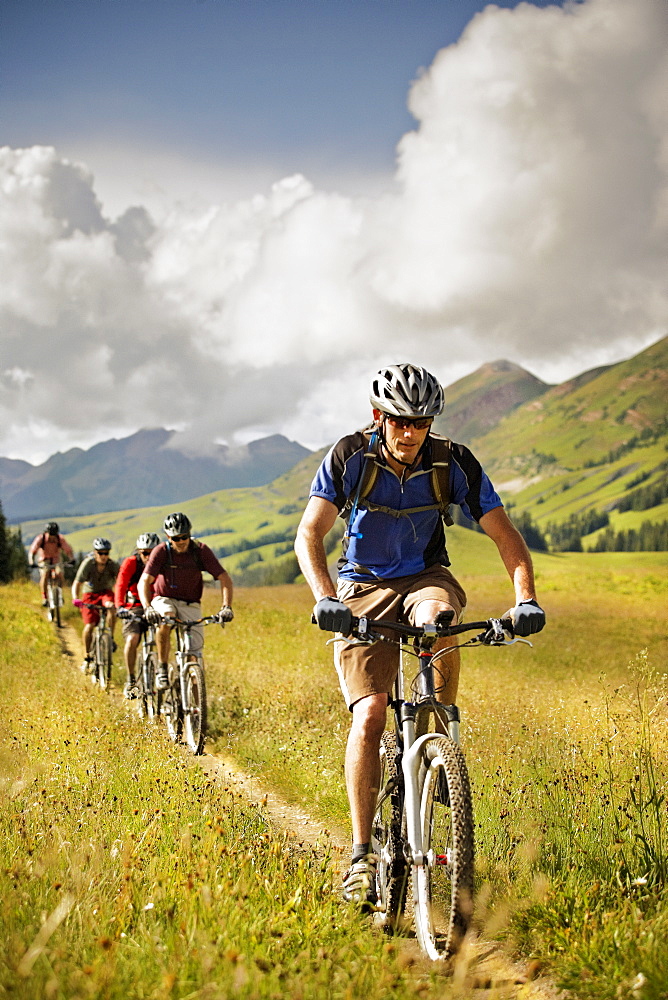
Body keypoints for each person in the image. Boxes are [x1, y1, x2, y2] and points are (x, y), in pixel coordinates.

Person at [294, 363, 546, 908]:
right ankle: (361, 854)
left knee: (439, 618)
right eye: (401, 422)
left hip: (425, 578)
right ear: (379, 417)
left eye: (421, 423)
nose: (411, 434)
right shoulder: (350, 457)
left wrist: (525, 598)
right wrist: (325, 598)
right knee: (371, 714)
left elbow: (504, 532)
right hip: (361, 585)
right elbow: (310, 532)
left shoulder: (454, 462)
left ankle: (439, 739)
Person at [138, 512, 234, 690]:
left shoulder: (200, 551)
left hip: (191, 603)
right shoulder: (161, 551)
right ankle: (162, 668)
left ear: (190, 534)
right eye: (176, 538)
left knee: (194, 654)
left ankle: (196, 711)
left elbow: (224, 578)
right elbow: (144, 581)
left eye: (184, 537)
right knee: (167, 617)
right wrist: (148, 608)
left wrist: (226, 607)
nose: (181, 541)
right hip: (164, 598)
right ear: (168, 537)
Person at [114, 532, 160, 699]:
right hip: (134, 606)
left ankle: (163, 674)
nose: (148, 557)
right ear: (139, 552)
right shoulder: (131, 563)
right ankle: (131, 680)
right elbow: (120, 584)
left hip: (156, 605)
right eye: (144, 553)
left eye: (152, 552)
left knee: (163, 637)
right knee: (133, 639)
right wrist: (120, 606)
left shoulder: (162, 563)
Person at [72, 538, 120, 676]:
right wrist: (76, 598)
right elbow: (77, 582)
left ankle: (110, 637)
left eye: (106, 553)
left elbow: (121, 581)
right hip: (90, 594)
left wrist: (123, 597)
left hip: (105, 593)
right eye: (100, 553)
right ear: (95, 552)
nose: (103, 556)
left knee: (111, 607)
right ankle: (87, 656)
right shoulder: (88, 563)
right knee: (89, 626)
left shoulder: (112, 565)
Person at [29, 522, 74, 605]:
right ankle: (44, 597)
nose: (52, 537)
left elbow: (68, 550)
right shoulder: (41, 538)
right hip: (44, 559)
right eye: (50, 534)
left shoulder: (60, 539)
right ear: (46, 532)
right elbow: (32, 550)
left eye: (54, 534)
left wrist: (71, 559)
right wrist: (31, 561)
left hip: (56, 559)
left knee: (59, 573)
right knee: (45, 574)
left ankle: (59, 594)